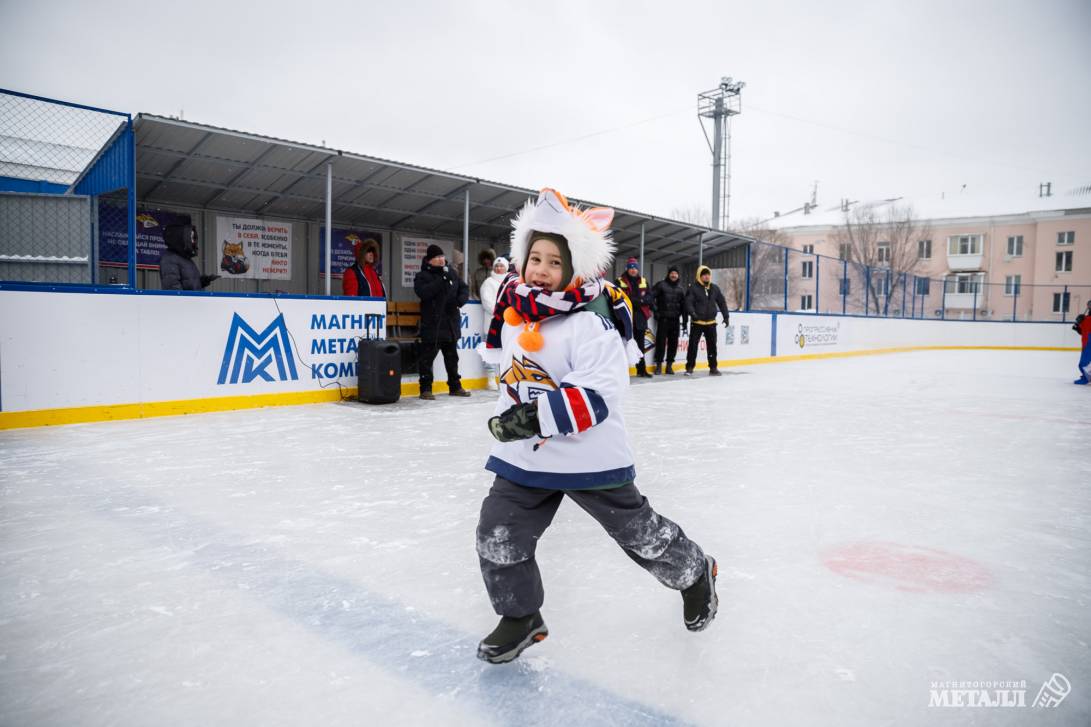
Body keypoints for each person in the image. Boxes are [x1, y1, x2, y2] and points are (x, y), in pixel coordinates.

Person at [474, 188, 718, 665]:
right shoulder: (513, 310)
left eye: (553, 262)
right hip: (525, 457)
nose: (541, 269)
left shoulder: (591, 321)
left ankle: (694, 571)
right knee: (497, 532)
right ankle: (521, 617)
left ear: (574, 269)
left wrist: (528, 418)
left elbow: (598, 395)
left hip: (590, 453)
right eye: (534, 258)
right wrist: (517, 419)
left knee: (638, 534)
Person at [414, 244, 471, 400]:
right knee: (427, 358)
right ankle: (425, 389)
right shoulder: (422, 276)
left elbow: (464, 288)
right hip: (433, 324)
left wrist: (460, 300)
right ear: (430, 260)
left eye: (442, 257)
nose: (441, 260)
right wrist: (441, 280)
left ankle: (455, 386)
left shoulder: (451, 273)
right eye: (437, 258)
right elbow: (424, 293)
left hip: (451, 323)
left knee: (452, 358)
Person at [683, 265, 730, 377]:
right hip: (697, 322)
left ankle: (713, 368)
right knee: (693, 346)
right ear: (699, 276)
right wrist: (693, 314)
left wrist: (726, 316)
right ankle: (689, 367)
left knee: (712, 346)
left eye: (708, 274)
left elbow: (722, 302)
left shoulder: (714, 288)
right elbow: (688, 303)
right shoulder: (693, 288)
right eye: (704, 274)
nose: (706, 276)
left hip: (711, 323)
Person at [616, 257, 654, 378]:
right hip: (624, 318)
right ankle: (621, 371)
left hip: (640, 318)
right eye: (631, 268)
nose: (633, 270)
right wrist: (640, 301)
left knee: (640, 345)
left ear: (638, 269)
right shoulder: (619, 281)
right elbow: (621, 298)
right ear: (627, 269)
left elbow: (650, 298)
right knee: (623, 344)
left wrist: (638, 300)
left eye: (635, 268)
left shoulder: (643, 281)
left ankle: (641, 370)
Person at [478, 256, 510, 390]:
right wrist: (501, 313)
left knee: (505, 351)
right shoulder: (488, 282)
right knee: (491, 350)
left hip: (508, 323)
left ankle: (504, 376)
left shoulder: (511, 282)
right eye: (496, 266)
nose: (498, 268)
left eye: (501, 265)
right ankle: (491, 378)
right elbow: (487, 302)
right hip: (492, 322)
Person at [159, 222, 218, 291]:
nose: (193, 241)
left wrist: (203, 281)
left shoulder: (186, 259)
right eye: (191, 238)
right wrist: (188, 301)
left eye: (193, 238)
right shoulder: (169, 259)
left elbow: (189, 284)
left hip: (194, 301)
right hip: (186, 302)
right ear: (180, 238)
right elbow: (173, 289)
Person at [650, 266, 686, 375]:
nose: (673, 275)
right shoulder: (661, 285)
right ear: (668, 274)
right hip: (663, 319)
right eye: (672, 273)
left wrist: (684, 321)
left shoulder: (681, 289)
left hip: (675, 320)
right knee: (660, 343)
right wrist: (656, 311)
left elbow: (684, 306)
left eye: (675, 273)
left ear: (678, 275)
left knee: (673, 344)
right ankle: (659, 366)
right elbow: (650, 297)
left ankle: (669, 366)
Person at [1074, 299, 1091, 385]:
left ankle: (1086, 378)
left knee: (1084, 363)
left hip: (1088, 343)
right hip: (1086, 342)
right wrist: (1077, 327)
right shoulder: (1086, 318)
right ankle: (1086, 376)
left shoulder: (1087, 318)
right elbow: (1082, 332)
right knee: (1084, 363)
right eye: (1089, 305)